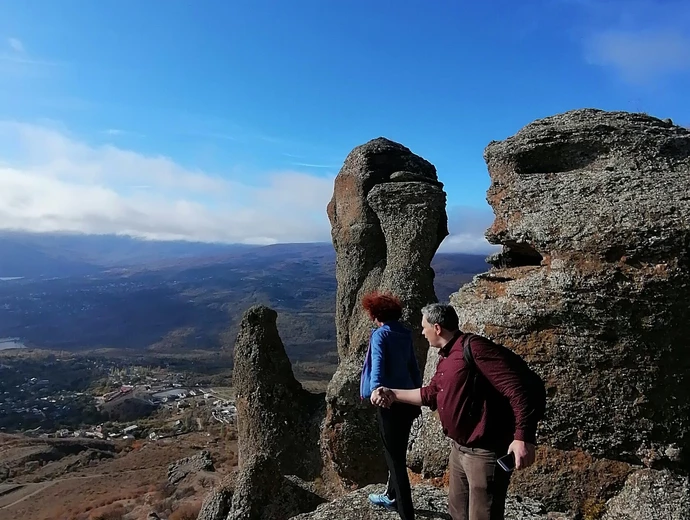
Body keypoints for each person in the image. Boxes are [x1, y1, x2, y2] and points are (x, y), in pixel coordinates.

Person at [372, 303, 538, 520]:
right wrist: (392, 394)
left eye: (425, 327)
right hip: (459, 450)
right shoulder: (447, 357)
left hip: (483, 452)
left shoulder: (474, 348)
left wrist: (522, 437)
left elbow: (518, 389)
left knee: (483, 515)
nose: (422, 333)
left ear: (437, 328)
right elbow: (431, 394)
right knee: (457, 513)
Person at [359, 291, 422, 520]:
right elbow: (413, 367)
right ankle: (392, 496)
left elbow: (377, 365)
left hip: (388, 401)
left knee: (394, 460)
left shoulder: (380, 335)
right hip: (408, 398)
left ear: (377, 315)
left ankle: (406, 513)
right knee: (399, 452)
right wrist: (419, 395)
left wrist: (376, 390)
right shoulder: (405, 333)